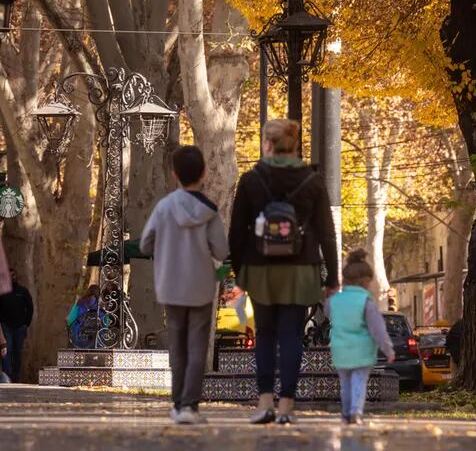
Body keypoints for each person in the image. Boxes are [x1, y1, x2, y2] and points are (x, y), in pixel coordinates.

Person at [229, 119, 339, 425]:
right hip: (301, 269)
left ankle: (265, 402)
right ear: (295, 144)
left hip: (260, 269)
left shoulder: (251, 180)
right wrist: (333, 276)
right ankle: (287, 406)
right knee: (291, 335)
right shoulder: (313, 182)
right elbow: (327, 233)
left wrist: (240, 271)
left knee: (264, 334)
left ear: (268, 143)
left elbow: (236, 232)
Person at [141, 145, 229, 425]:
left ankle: (177, 404)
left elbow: (145, 243)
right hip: (201, 287)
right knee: (196, 347)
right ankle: (191, 405)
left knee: (176, 347)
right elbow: (222, 251)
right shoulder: (209, 211)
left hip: (170, 284)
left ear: (174, 174)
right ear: (203, 173)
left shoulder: (163, 207)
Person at [325, 249, 394, 425]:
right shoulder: (366, 302)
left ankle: (346, 413)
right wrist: (388, 349)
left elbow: (329, 314)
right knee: (359, 381)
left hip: (340, 349)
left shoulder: (334, 301)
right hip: (362, 350)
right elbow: (378, 329)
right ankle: (356, 412)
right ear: (366, 282)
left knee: (345, 383)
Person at [0, 268, 33, 382]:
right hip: (6, 327)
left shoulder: (23, 291)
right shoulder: (2, 292)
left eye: (13, 275)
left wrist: (26, 323)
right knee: (6, 350)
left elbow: (30, 308)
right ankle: (7, 377)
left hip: (20, 327)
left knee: (17, 351)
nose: (12, 277)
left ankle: (16, 377)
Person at [66, 285, 102, 349]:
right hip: (95, 341)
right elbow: (106, 323)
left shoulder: (80, 303)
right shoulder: (101, 306)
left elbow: (70, 319)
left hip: (78, 340)